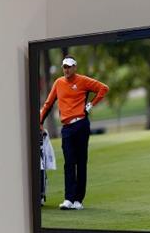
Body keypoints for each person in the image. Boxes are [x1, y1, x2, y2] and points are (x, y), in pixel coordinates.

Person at [38, 56, 109, 210]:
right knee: (69, 163)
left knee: (81, 162)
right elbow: (48, 103)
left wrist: (91, 104)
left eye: (69, 67)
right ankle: (69, 199)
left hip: (81, 124)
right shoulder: (58, 83)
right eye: (64, 67)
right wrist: (40, 121)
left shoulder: (83, 80)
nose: (67, 70)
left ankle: (78, 200)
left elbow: (103, 88)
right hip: (67, 128)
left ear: (75, 67)